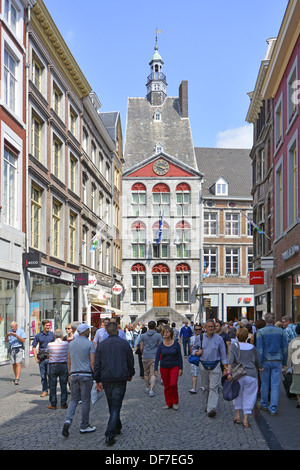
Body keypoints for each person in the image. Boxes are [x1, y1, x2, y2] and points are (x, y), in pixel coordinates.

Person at [94, 322, 135, 446]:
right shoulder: (124, 344)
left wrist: (97, 379)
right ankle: (110, 433)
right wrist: (130, 374)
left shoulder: (101, 345)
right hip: (120, 377)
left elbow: (97, 364)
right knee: (116, 405)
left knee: (112, 404)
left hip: (107, 378)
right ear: (117, 331)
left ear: (106, 332)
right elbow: (130, 361)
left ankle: (117, 426)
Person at [62, 324, 96, 437]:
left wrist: (69, 374)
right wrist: (95, 375)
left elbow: (68, 360)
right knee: (86, 401)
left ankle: (68, 421)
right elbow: (92, 362)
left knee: (73, 400)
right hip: (86, 375)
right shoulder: (89, 343)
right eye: (88, 330)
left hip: (74, 374)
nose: (89, 331)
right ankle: (84, 425)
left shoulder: (71, 344)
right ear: (84, 331)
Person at [191, 319, 228, 418]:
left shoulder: (219, 339)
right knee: (206, 388)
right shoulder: (200, 337)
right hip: (203, 365)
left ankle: (211, 408)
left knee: (214, 387)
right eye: (209, 327)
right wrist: (196, 352)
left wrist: (225, 367)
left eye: (213, 326)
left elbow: (223, 354)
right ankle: (208, 404)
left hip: (215, 365)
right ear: (205, 328)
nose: (211, 328)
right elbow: (193, 349)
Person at [227, 327, 260, 427]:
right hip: (251, 374)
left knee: (237, 394)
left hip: (238, 374)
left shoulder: (234, 346)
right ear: (247, 336)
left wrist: (229, 373)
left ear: (237, 336)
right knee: (249, 396)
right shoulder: (252, 347)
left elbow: (230, 360)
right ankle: (246, 419)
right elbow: (257, 362)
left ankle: (238, 416)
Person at [256, 313, 288, 415]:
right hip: (277, 360)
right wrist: (284, 361)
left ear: (265, 320)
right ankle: (273, 408)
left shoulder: (260, 332)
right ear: (274, 321)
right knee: (275, 385)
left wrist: (259, 364)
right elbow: (285, 348)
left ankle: (264, 404)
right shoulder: (281, 331)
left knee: (264, 384)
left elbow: (259, 350)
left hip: (265, 360)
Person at [154, 326, 183, 410]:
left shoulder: (176, 344)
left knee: (173, 384)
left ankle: (175, 401)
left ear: (171, 333)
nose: (166, 333)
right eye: (164, 332)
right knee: (166, 386)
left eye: (167, 332)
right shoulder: (161, 345)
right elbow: (157, 357)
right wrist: (155, 368)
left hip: (174, 366)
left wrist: (181, 368)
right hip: (164, 367)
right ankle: (169, 402)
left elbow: (179, 357)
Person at [46, 329, 69, 410]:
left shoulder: (50, 344)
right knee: (63, 385)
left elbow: (48, 354)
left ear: (54, 336)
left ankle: (53, 403)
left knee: (52, 385)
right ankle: (63, 403)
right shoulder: (66, 343)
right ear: (62, 336)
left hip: (53, 365)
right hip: (63, 365)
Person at [32, 320, 55, 397]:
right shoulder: (38, 335)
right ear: (43, 326)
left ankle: (51, 389)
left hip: (50, 357)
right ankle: (44, 390)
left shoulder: (52, 335)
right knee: (43, 375)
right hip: (41, 357)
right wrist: (36, 357)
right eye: (47, 325)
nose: (48, 327)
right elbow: (34, 347)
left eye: (49, 325)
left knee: (50, 374)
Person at [140, 320, 163, 396]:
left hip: (145, 355)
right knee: (153, 373)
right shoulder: (158, 336)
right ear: (155, 326)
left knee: (146, 373)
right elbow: (160, 346)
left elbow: (141, 347)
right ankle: (151, 390)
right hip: (154, 356)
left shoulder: (143, 335)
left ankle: (147, 387)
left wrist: (142, 353)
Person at [282, 322, 300, 408]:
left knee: (296, 386)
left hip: (297, 367)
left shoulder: (293, 342)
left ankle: (299, 401)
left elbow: (289, 357)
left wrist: (285, 368)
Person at [189, 324, 204, 394]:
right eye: (196, 329)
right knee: (194, 372)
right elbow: (191, 347)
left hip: (204, 357)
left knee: (203, 372)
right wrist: (193, 354)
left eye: (199, 329)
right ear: (194, 330)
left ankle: (203, 385)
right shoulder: (192, 338)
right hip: (196, 356)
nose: (198, 331)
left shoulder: (205, 337)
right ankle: (194, 387)